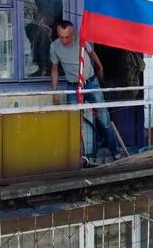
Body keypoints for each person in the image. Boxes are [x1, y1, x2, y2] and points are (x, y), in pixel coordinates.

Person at [49, 20, 120, 157]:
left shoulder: (81, 40)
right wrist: (54, 92)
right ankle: (78, 157)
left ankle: (115, 152)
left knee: (104, 119)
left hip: (90, 83)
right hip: (73, 87)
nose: (64, 40)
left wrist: (100, 67)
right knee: (74, 123)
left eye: (67, 37)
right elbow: (54, 69)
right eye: (61, 37)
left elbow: (92, 53)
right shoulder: (54, 46)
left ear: (73, 33)